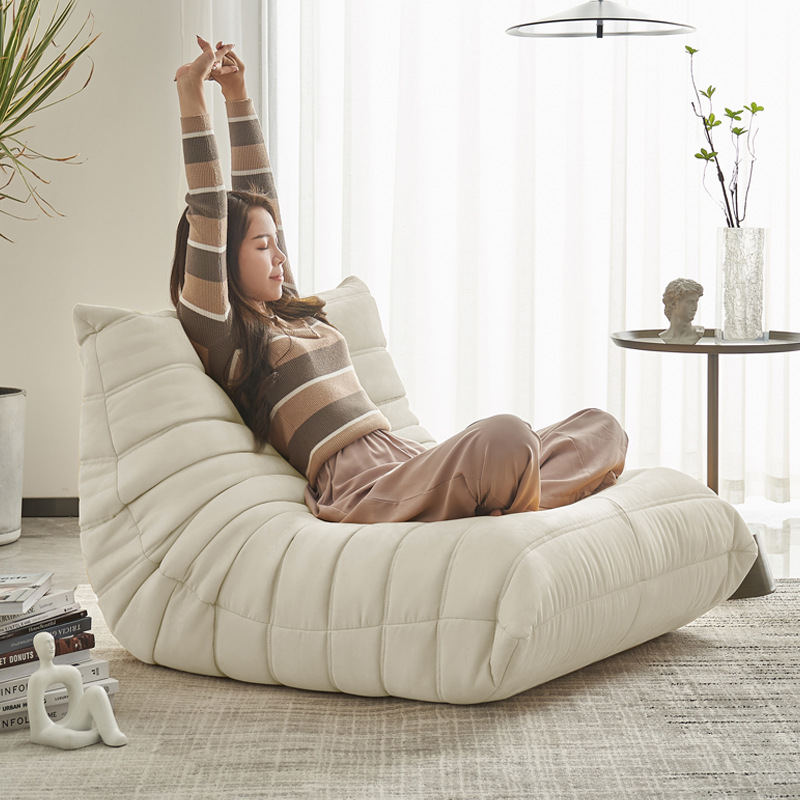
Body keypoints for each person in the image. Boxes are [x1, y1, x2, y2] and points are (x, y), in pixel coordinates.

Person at [171, 38, 628, 524]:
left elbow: (259, 192)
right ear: (223, 258)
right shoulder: (223, 335)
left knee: (600, 428)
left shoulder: (288, 308)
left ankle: (504, 496)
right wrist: (191, 91)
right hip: (364, 485)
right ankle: (506, 490)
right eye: (263, 247)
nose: (279, 254)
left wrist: (237, 95)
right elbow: (210, 209)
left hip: (407, 459)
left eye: (275, 242)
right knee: (509, 438)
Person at [27, 632, 127, 749]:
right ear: (37, 648)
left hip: (77, 724)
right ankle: (99, 733)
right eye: (46, 643)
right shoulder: (37, 679)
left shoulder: (71, 672)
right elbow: (38, 732)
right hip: (47, 730)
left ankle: (111, 732)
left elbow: (78, 705)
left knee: (97, 691)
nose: (51, 646)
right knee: (68, 739)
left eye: (52, 642)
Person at [659, 278, 705, 345]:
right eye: (690, 302)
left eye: (696, 302)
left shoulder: (699, 334)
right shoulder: (662, 337)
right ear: (673, 304)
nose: (695, 308)